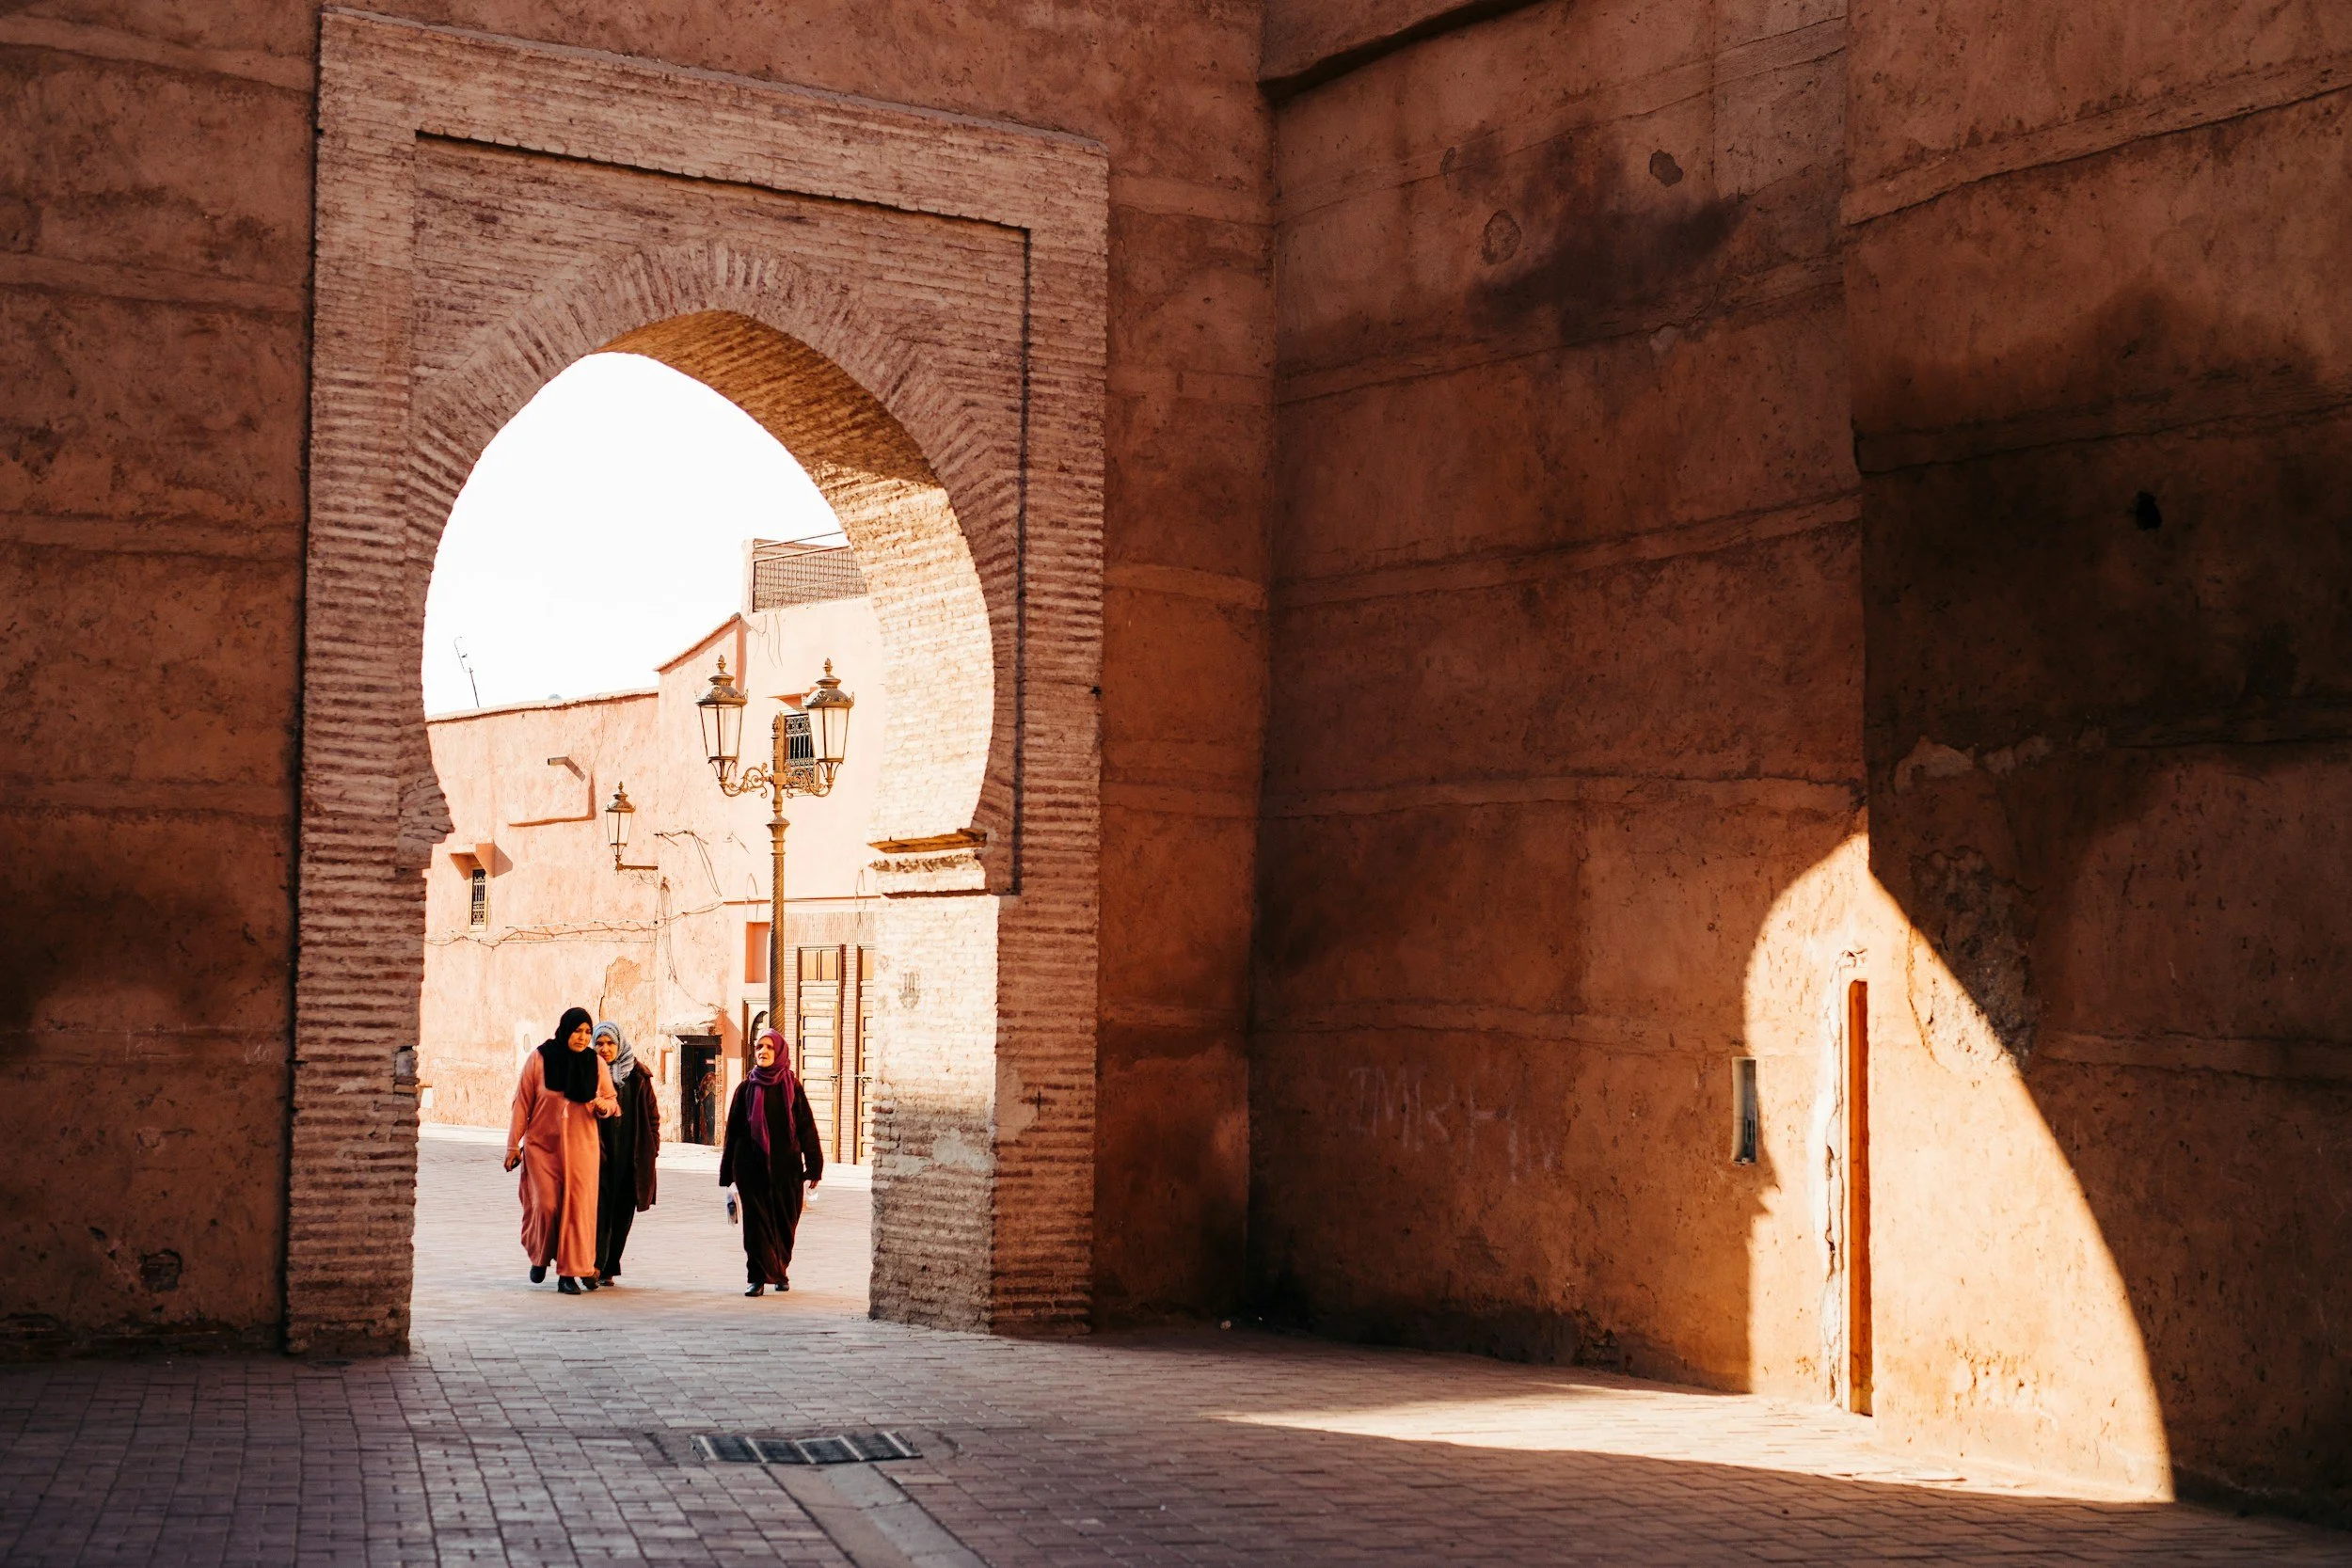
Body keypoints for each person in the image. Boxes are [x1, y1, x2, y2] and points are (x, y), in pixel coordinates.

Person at [504, 1006, 619, 1295]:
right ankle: (540, 1256)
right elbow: (522, 1105)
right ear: (565, 1030)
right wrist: (512, 1146)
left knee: (575, 1211)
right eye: (577, 1031)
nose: (582, 1038)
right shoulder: (540, 1060)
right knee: (546, 1206)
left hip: (582, 1150)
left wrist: (603, 1107)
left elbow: (612, 1101)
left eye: (587, 1033)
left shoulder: (595, 1064)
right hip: (542, 1148)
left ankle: (568, 1273)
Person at [717, 1030, 823, 1296]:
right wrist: (728, 1171)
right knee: (756, 1225)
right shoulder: (746, 1088)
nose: (762, 1051)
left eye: (768, 1047)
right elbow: (733, 1132)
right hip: (751, 1168)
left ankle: (780, 1270)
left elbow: (806, 1127)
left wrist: (814, 1166)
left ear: (779, 1052)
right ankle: (757, 1277)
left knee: (785, 1223)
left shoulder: (791, 1086)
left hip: (786, 1169)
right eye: (758, 1047)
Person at [592, 1021, 660, 1287]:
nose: (605, 1049)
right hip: (599, 1155)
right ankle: (595, 1264)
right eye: (600, 1043)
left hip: (632, 1157)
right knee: (599, 1212)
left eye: (610, 1043)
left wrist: (652, 1146)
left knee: (622, 1214)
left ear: (620, 1044)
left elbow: (652, 1115)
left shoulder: (637, 1076)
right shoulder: (588, 1075)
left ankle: (609, 1266)